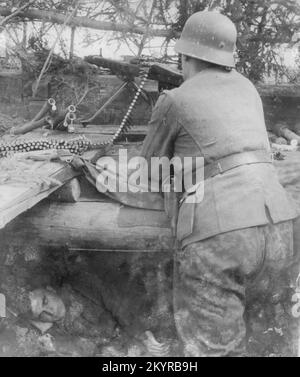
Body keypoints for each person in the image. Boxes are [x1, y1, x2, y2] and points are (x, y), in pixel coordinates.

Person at [140, 11, 299, 356]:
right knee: (270, 342)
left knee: (216, 351)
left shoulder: (174, 100)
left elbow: (149, 175)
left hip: (223, 239)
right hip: (282, 228)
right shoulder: (248, 90)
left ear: (185, 57)